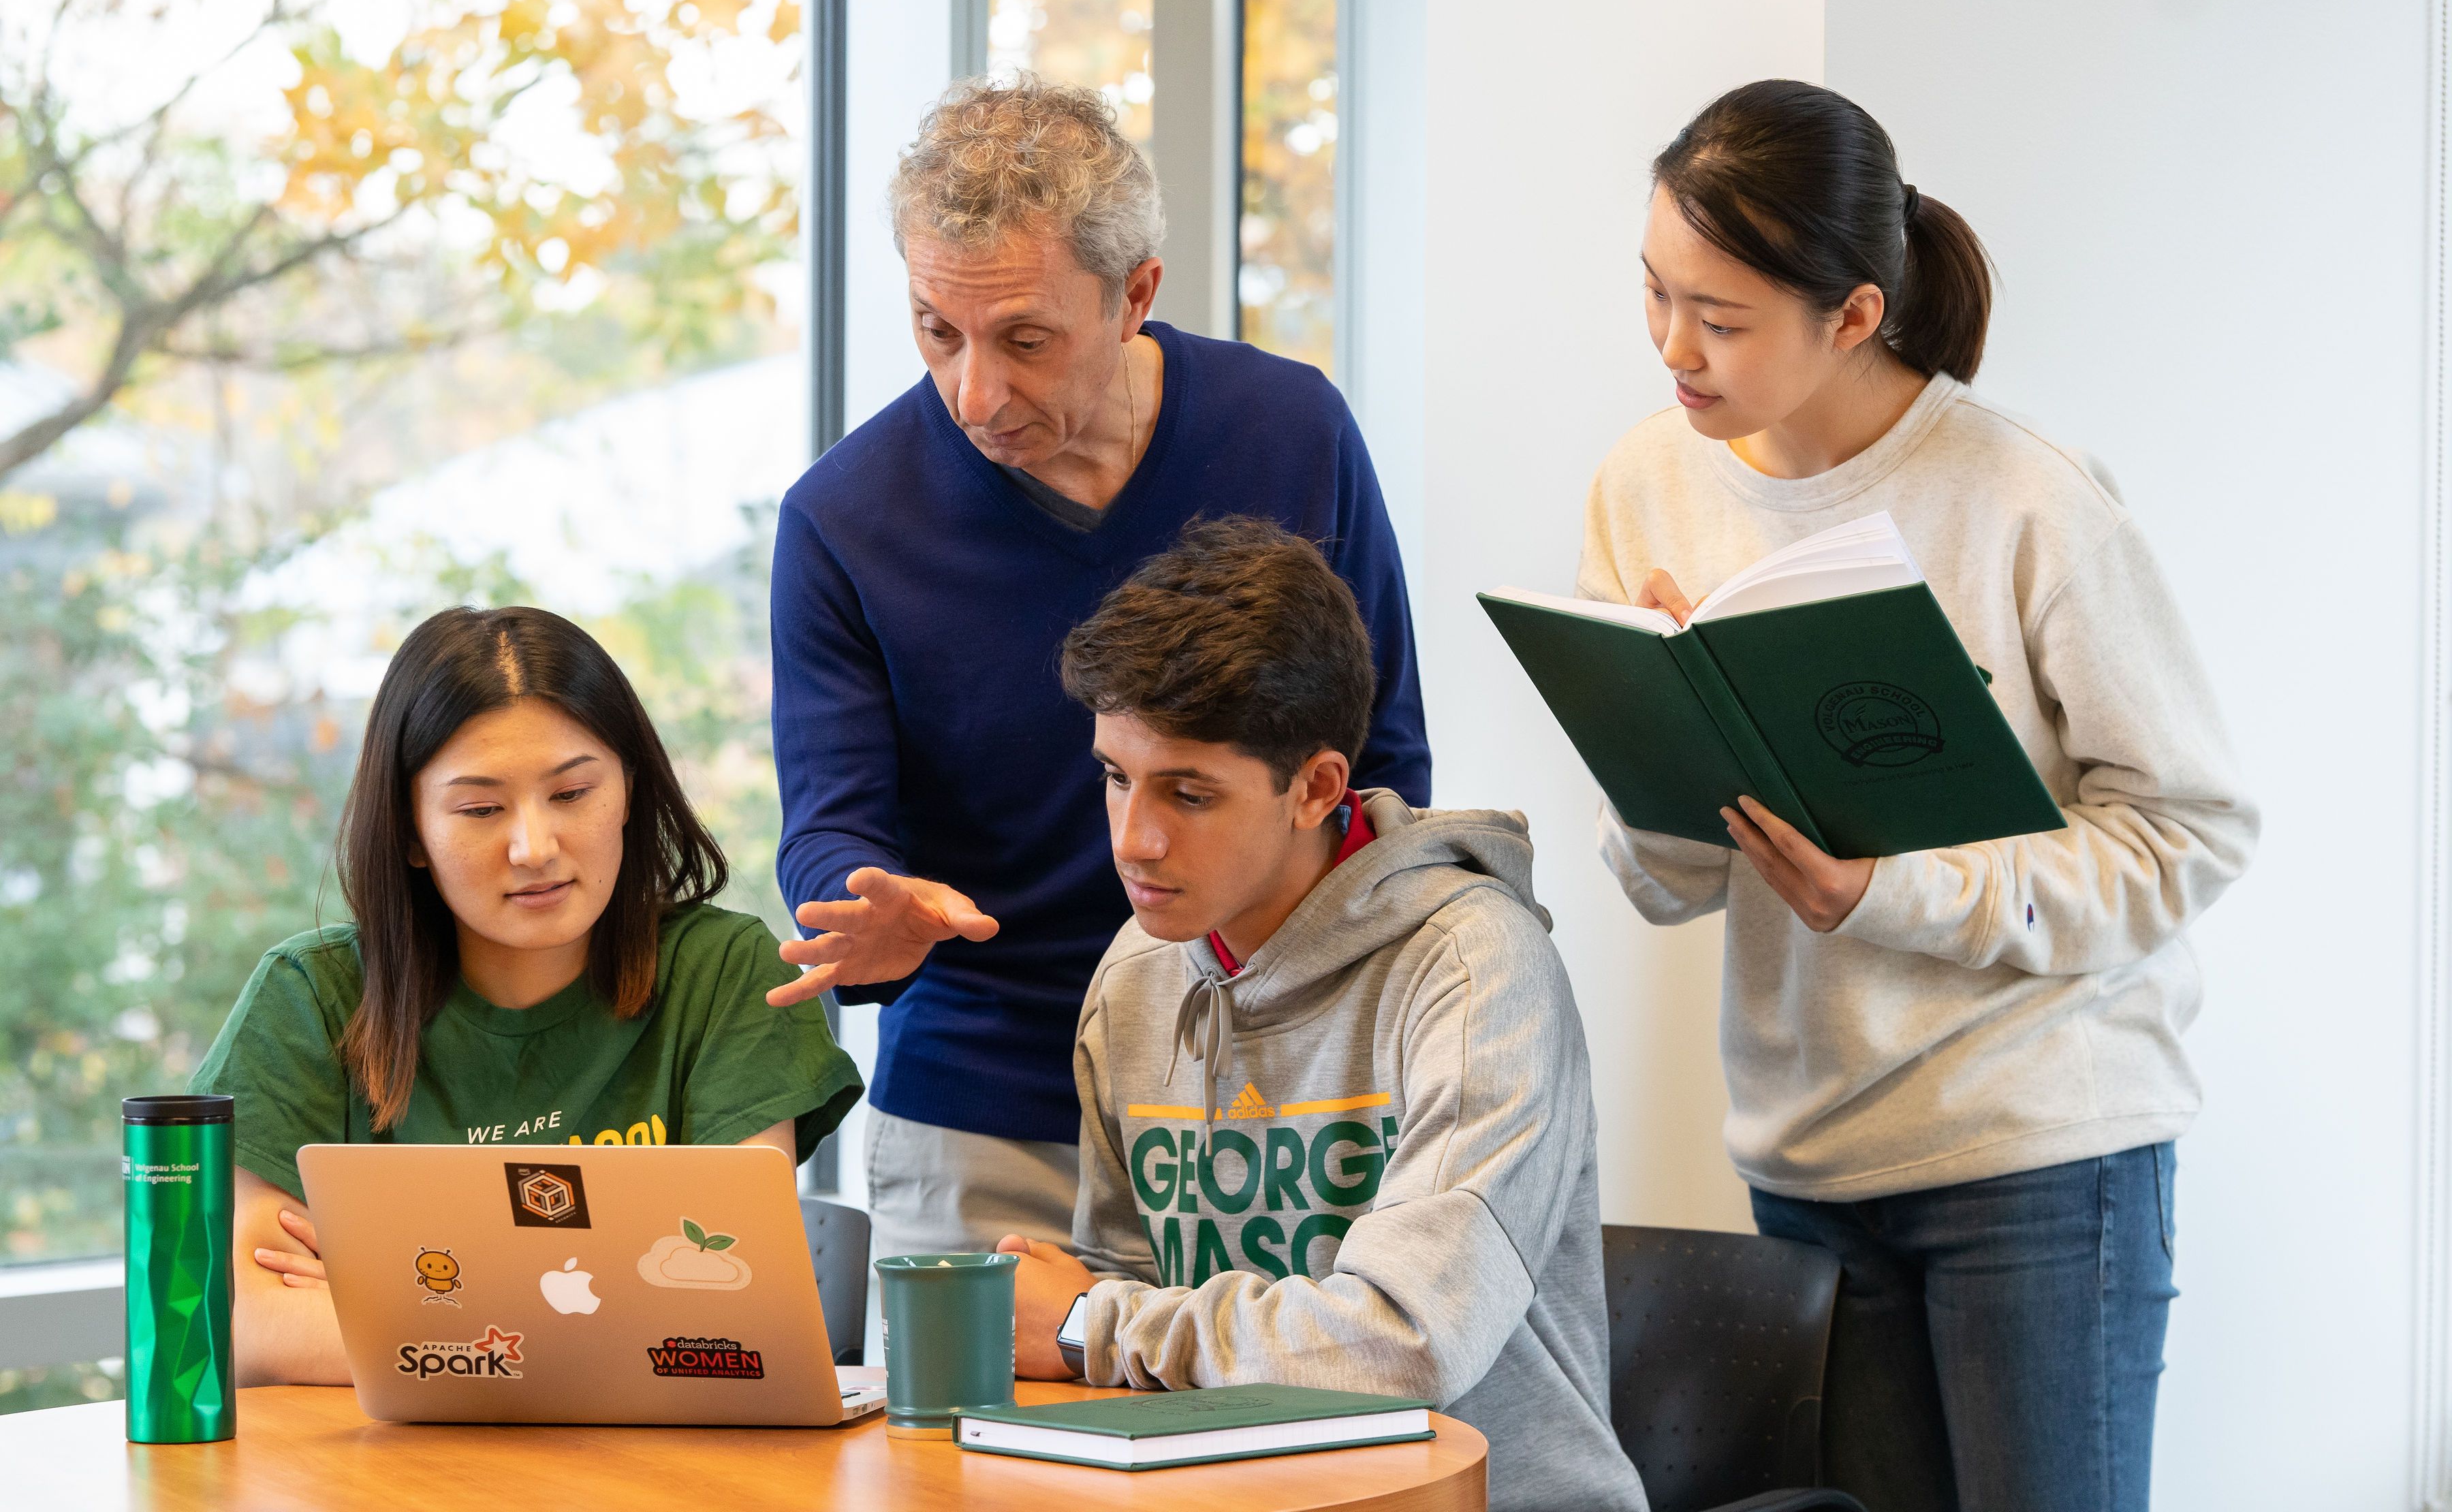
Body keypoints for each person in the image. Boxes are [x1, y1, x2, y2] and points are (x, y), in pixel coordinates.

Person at [1584, 79, 2258, 1512]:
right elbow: (1661, 881)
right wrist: (1669, 731)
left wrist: (1893, 896)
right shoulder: (1648, 482)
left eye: (1721, 316)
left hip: (2039, 1148)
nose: (1672, 348)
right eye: (1654, 293)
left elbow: (2193, 831)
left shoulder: (2026, 498)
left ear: (1853, 315)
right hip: (1809, 1154)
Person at [767, 76, 1430, 1273]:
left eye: (1025, 340)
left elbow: (1383, 766)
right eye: (937, 332)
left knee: (1275, 1443)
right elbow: (830, 832)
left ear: (1135, 296)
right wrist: (870, 902)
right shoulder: (843, 521)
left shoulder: (1293, 431)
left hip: (1269, 1095)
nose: (977, 393)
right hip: (985, 1100)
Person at [994, 518, 1645, 1512]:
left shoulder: (1475, 973)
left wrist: (1088, 1320)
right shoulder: (1136, 976)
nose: (1133, 839)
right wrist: (1060, 1321)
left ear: (1317, 789)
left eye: (1189, 793)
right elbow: (1118, 1304)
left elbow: (1408, 1339)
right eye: (1116, 778)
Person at [193, 606, 862, 1387]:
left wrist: (400, 1316)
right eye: (480, 809)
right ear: (410, 829)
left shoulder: (727, 971)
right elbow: (252, 1321)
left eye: (573, 794)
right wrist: (592, 1335)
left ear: (629, 791)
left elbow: (729, 1314)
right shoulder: (311, 995)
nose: (535, 848)